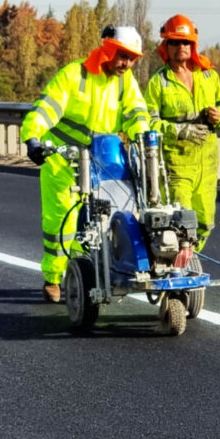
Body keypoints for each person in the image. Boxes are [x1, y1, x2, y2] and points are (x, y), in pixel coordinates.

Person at [21, 26, 151, 303]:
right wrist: (32, 137)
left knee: (106, 217)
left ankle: (91, 272)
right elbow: (46, 109)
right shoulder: (74, 75)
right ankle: (54, 277)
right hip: (63, 160)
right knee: (62, 220)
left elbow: (136, 112)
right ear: (108, 49)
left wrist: (143, 137)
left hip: (102, 161)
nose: (127, 63)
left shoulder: (125, 82)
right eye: (123, 56)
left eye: (132, 59)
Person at [143, 14, 220, 252]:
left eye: (185, 42)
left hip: (207, 163)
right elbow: (148, 122)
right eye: (175, 42)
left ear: (193, 45)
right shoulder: (159, 82)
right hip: (177, 164)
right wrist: (179, 130)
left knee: (204, 220)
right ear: (166, 46)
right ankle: (178, 264)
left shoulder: (208, 75)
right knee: (180, 220)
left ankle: (190, 259)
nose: (180, 46)